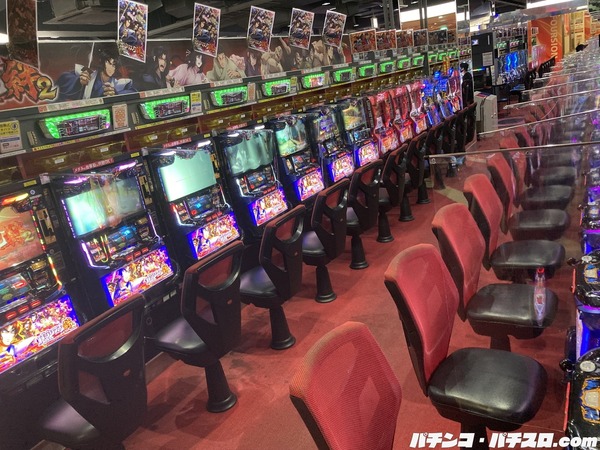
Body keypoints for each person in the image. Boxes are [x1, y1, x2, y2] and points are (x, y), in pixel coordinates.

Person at [56, 48, 136, 101]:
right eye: (110, 63)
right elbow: (63, 80)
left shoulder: (117, 83)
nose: (112, 68)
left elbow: (133, 92)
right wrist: (78, 82)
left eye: (114, 65)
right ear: (102, 62)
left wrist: (117, 94)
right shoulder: (89, 74)